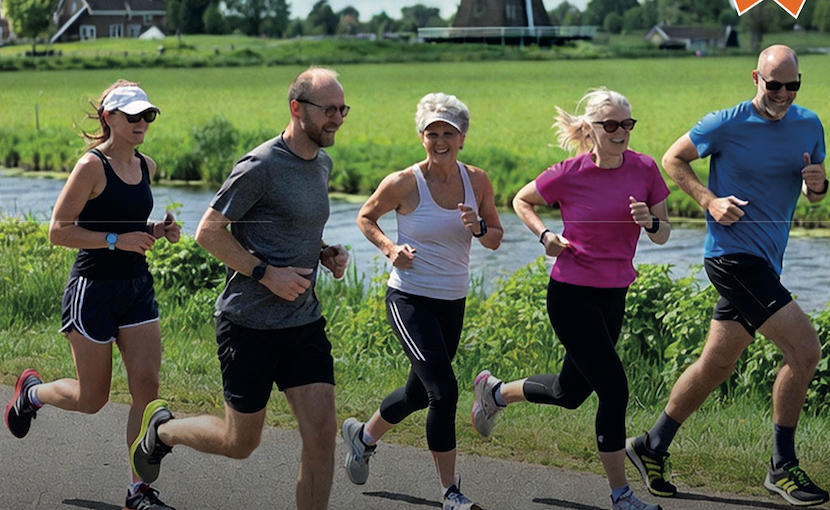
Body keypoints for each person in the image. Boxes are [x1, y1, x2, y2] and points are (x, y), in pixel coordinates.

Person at [129, 67, 351, 510]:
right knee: (239, 441)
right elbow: (209, 231)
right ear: (297, 108)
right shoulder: (261, 166)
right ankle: (162, 431)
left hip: (303, 322)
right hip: (248, 323)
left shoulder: (322, 164)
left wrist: (324, 252)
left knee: (323, 433)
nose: (337, 119)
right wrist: (266, 273)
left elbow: (291, 227)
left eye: (342, 110)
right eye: (328, 110)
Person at [624, 45, 830, 507]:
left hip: (767, 259)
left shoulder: (809, 123)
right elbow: (673, 158)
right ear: (754, 77)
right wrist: (709, 200)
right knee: (805, 350)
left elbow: (813, 191)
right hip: (732, 256)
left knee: (717, 363)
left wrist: (817, 186)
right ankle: (782, 465)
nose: (782, 95)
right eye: (773, 85)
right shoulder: (726, 122)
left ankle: (650, 445)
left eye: (791, 86)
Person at [471, 87, 670, 510]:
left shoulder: (646, 169)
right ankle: (621, 495)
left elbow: (663, 232)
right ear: (591, 129)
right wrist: (546, 235)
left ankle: (494, 393)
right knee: (614, 389)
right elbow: (521, 200)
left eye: (627, 125)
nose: (621, 132)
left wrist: (650, 220)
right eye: (611, 125)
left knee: (570, 392)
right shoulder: (570, 171)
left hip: (614, 294)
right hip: (571, 294)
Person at [4, 80, 181, 510]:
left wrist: (157, 231)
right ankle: (31, 394)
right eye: (133, 115)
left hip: (137, 289)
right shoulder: (92, 166)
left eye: (148, 115)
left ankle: (138, 490)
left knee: (148, 386)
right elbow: (58, 231)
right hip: (93, 291)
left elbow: (127, 221)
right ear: (109, 118)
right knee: (92, 399)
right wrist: (118, 240)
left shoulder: (146, 166)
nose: (142, 123)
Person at [341, 92, 503, 510]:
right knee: (444, 392)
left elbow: (495, 240)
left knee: (418, 393)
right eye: (432, 133)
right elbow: (365, 217)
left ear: (462, 137)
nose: (440, 140)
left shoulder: (477, 180)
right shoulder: (404, 182)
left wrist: (479, 224)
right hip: (409, 298)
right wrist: (390, 249)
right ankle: (451, 493)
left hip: (453, 299)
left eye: (448, 132)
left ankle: (363, 437)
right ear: (421, 136)